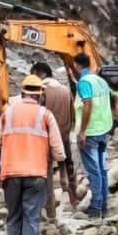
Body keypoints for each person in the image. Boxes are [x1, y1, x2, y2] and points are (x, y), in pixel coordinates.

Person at [0, 74, 65, 235]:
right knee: (31, 217)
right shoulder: (46, 115)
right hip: (36, 175)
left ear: (22, 92)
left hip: (11, 173)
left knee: (13, 216)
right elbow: (59, 152)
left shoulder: (8, 113)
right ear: (41, 95)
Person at [30, 60, 78, 221]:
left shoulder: (41, 91)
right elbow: (73, 115)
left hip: (46, 137)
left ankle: (48, 212)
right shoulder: (65, 90)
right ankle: (74, 199)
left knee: (47, 173)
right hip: (64, 134)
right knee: (68, 167)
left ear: (39, 73)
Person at [74, 52, 117, 218]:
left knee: (94, 171)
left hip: (90, 131)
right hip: (103, 129)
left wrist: (82, 131)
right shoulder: (101, 81)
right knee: (102, 170)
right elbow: (115, 99)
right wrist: (112, 120)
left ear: (77, 65)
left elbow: (87, 104)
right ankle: (104, 206)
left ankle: (95, 207)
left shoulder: (84, 82)